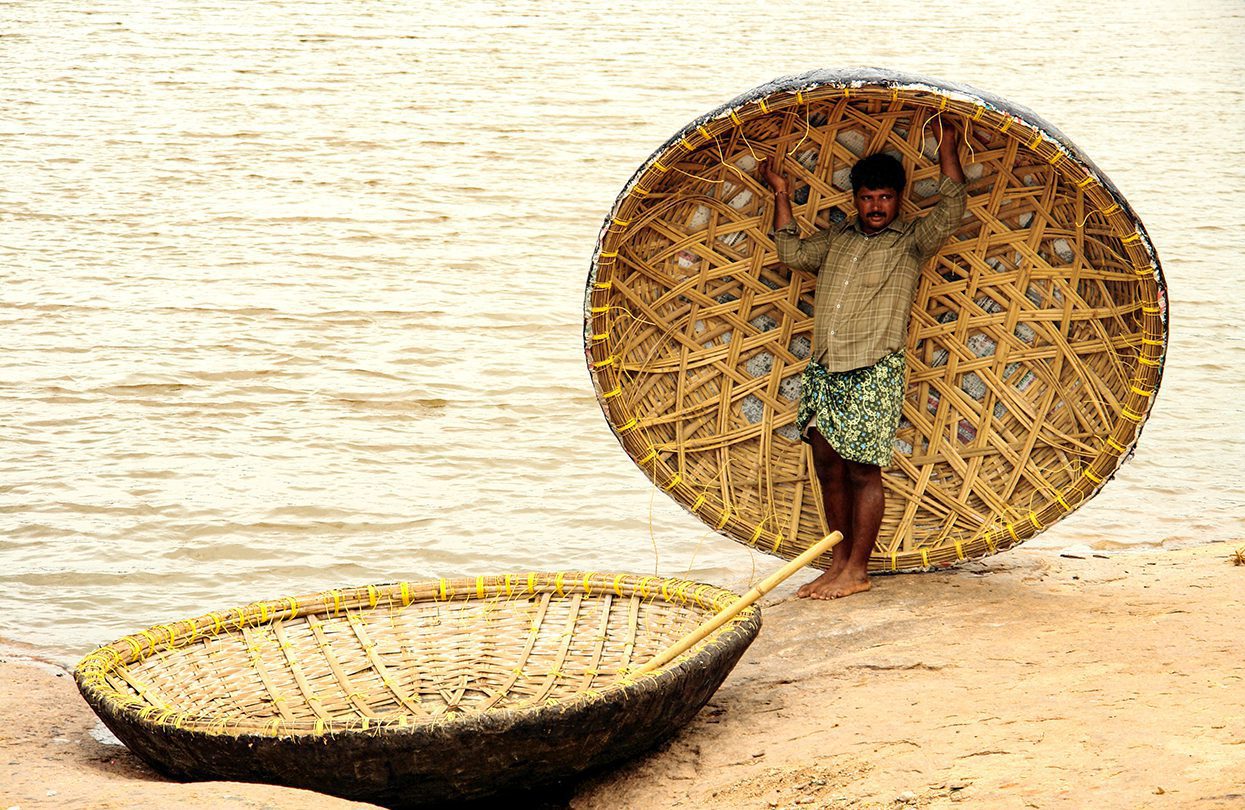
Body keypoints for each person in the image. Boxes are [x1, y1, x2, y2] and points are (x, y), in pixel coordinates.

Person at [758, 116, 966, 600]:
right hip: (826, 366)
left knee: (862, 469)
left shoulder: (910, 242)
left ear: (898, 201)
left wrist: (947, 148)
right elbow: (790, 252)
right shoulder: (837, 239)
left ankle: (859, 569)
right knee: (827, 465)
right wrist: (781, 194)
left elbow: (953, 205)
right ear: (856, 201)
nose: (876, 206)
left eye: (885, 198)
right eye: (868, 198)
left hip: (875, 366)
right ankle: (837, 563)